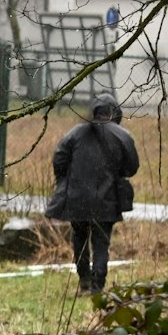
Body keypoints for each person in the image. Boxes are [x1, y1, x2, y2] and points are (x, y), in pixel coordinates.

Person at [47, 96, 139, 294]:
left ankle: (84, 282)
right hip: (106, 200)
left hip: (76, 198)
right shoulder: (122, 135)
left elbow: (59, 158)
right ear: (115, 113)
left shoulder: (76, 133)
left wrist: (66, 180)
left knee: (79, 237)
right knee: (101, 242)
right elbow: (132, 167)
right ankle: (98, 286)